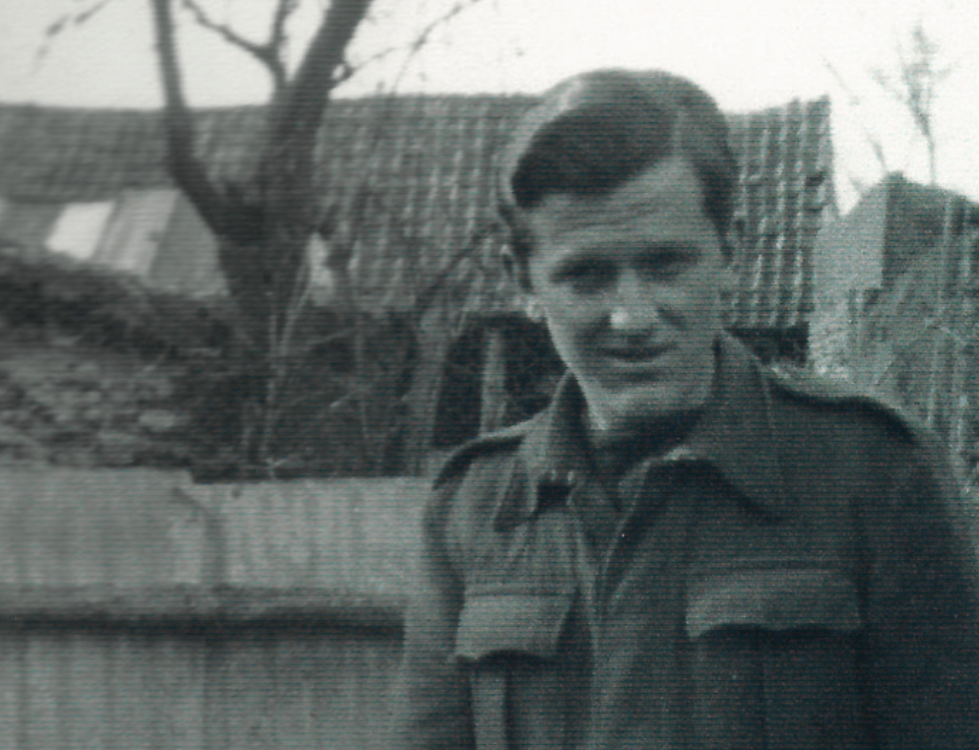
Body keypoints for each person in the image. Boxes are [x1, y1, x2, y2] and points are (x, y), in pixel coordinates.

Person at [392, 68, 979, 750]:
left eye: (666, 265)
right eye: (586, 275)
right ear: (520, 280)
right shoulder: (472, 510)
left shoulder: (875, 472)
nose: (633, 316)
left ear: (730, 249)